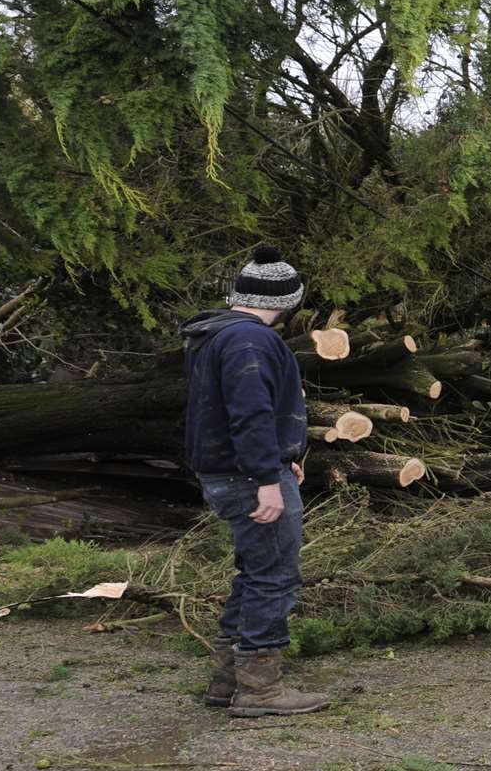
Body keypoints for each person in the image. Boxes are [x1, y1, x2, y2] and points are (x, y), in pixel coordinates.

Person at [181, 246, 330, 717]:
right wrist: (267, 476)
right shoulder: (250, 342)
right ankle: (260, 690)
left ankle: (227, 680)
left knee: (254, 572)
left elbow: (233, 413)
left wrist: (285, 458)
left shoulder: (217, 335)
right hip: (247, 477)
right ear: (288, 300)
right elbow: (250, 414)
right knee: (275, 577)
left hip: (235, 471)